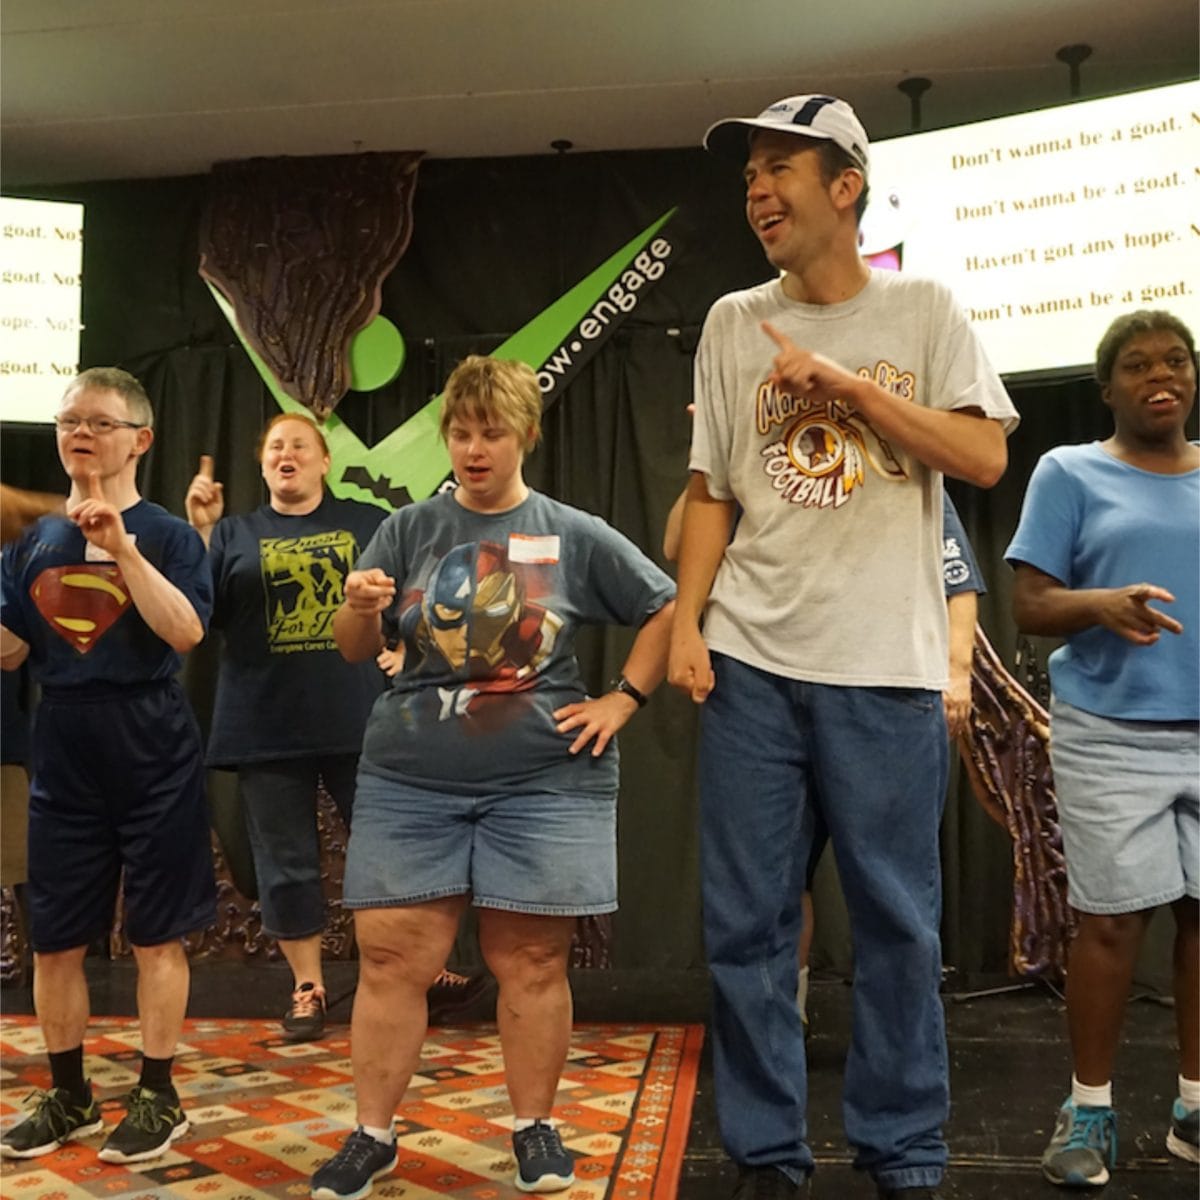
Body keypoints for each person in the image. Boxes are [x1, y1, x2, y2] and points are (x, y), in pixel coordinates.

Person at [667, 94, 1017, 1200]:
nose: (757, 191)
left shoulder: (924, 310)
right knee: (748, 930)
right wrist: (687, 623)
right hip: (752, 668)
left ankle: (902, 1153)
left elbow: (983, 458)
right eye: (748, 177)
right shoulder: (732, 321)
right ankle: (767, 1157)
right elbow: (711, 492)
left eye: (779, 169)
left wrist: (852, 389)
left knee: (899, 928)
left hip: (886, 673)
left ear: (847, 186)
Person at [308, 354, 676, 1200]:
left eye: (492, 432)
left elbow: (663, 605)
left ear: (526, 436)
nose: (475, 449)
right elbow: (354, 648)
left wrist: (623, 699)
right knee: (392, 957)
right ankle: (373, 1134)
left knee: (532, 958)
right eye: (462, 433)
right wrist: (358, 608)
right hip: (411, 780)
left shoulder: (571, 531)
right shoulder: (407, 529)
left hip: (545, 785)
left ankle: (534, 1126)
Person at [0, 367, 216, 1164]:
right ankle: (70, 1094)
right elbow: (11, 651)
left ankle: (159, 1096)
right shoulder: (32, 540)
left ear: (140, 440)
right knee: (55, 938)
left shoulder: (168, 535)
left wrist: (121, 548)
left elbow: (184, 632)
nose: (80, 434)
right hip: (61, 739)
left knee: (157, 934)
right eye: (68, 422)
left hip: (150, 738)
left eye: (98, 422)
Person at [1005, 309, 1199, 1187]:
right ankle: (1088, 1110)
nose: (1161, 376)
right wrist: (1102, 605)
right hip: (1111, 732)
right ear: (1108, 388)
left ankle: (1194, 1110)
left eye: (1177, 361)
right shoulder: (1068, 471)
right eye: (1138, 365)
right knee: (1113, 922)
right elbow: (1030, 605)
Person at [184, 414, 388, 1041]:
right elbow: (197, 617)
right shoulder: (234, 533)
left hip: (360, 720)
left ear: (326, 460)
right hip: (265, 724)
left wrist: (405, 648)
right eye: (275, 446)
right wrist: (202, 532)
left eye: (300, 444)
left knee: (390, 852)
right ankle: (308, 987)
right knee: (285, 862)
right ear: (262, 463)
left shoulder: (368, 522)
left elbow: (408, 597)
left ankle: (409, 970)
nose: (286, 454)